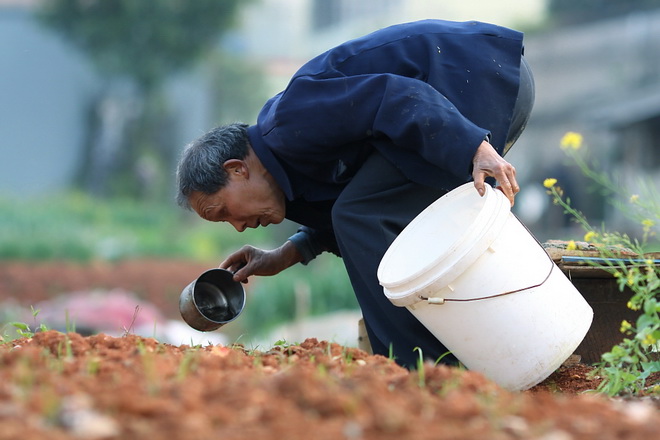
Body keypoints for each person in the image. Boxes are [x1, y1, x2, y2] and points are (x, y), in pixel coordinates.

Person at [175, 19, 535, 369]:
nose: (237, 228)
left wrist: (472, 146)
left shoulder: (291, 121)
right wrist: (289, 252)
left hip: (476, 74)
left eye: (223, 212)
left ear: (236, 170)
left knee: (359, 214)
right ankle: (476, 352)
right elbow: (355, 204)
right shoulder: (289, 171)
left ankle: (418, 370)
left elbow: (395, 97)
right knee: (373, 216)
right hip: (467, 98)